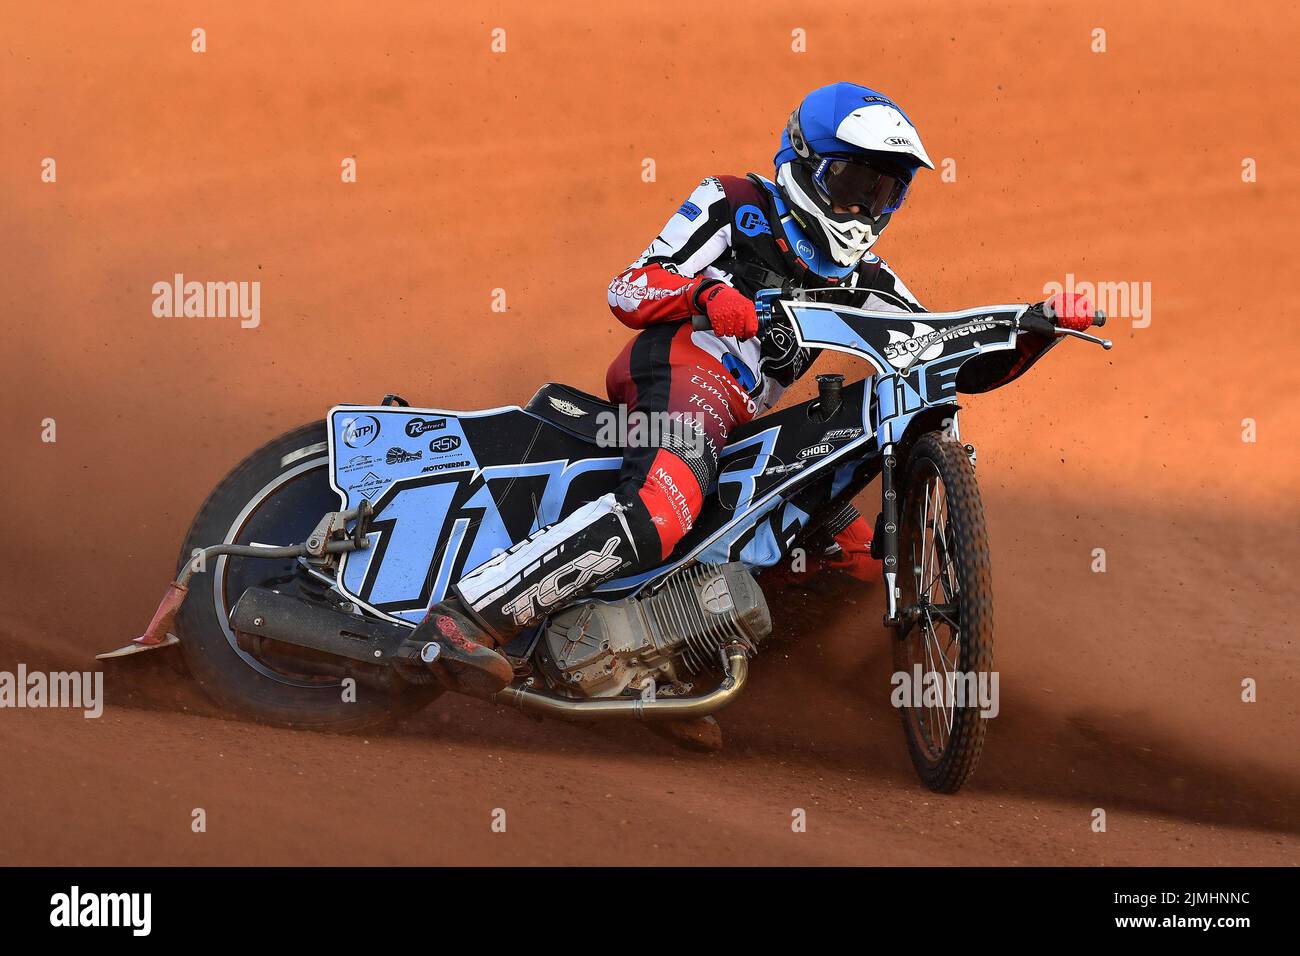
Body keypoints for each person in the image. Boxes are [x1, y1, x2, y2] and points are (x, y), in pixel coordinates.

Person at [413, 82, 950, 697]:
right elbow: (628, 288)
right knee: (665, 502)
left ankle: (674, 671)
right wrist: (704, 294)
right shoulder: (733, 203)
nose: (864, 209)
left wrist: (1037, 328)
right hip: (679, 371)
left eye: (884, 193)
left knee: (856, 560)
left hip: (746, 428)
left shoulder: (868, 278)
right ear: (805, 161)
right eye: (855, 185)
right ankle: (464, 618)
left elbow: (932, 345)